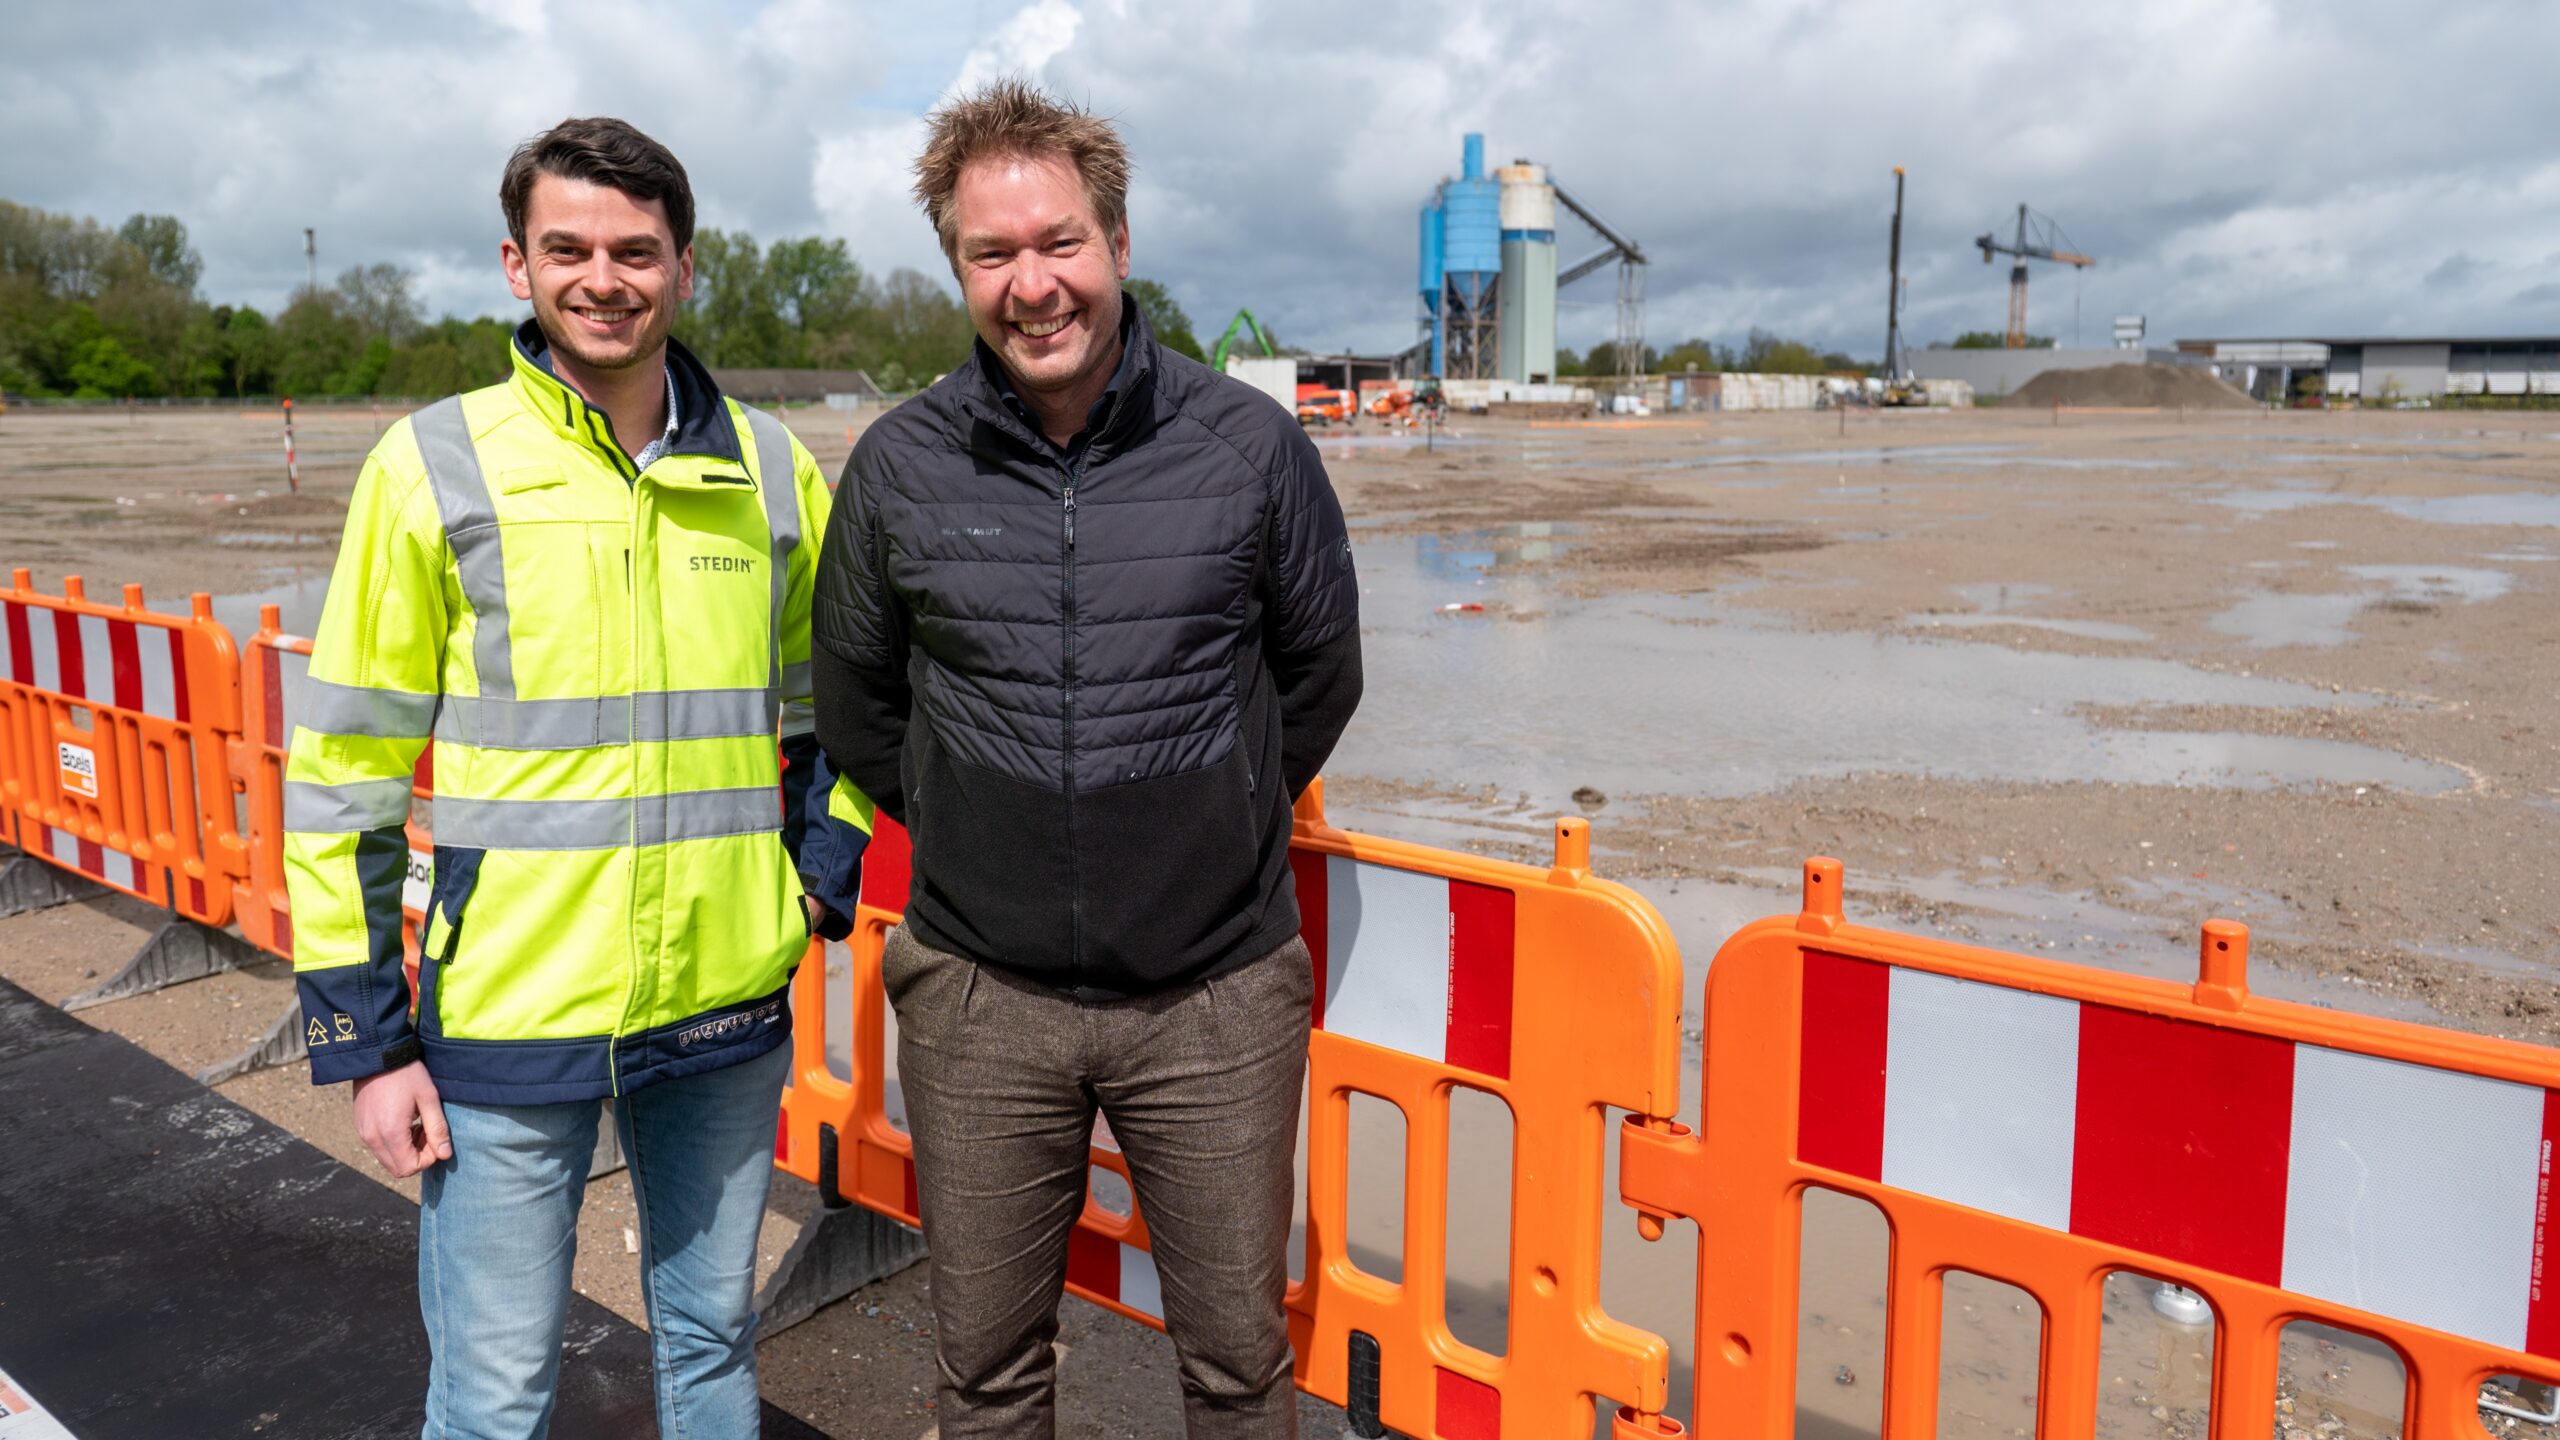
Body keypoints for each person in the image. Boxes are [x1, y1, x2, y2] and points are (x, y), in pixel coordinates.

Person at [282, 116, 873, 1438]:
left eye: (636, 251)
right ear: (517, 265)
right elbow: (344, 776)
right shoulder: (433, 463)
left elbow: (839, 712)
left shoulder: (772, 470)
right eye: (570, 248)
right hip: (508, 1010)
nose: (603, 277)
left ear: (684, 268)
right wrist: (366, 1043)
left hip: (723, 1002)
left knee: (714, 1352)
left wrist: (814, 881)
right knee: (494, 1393)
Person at [811, 80, 1363, 1438]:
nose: (1032, 283)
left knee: (1238, 1370)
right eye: (992, 254)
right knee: (987, 1373)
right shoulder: (900, 467)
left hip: (1213, 998)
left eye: (1059, 241)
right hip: (982, 997)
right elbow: (859, 699)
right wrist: (973, 830)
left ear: (1118, 240)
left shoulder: (1250, 448)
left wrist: (1209, 820)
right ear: (958, 267)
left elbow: (1320, 675)